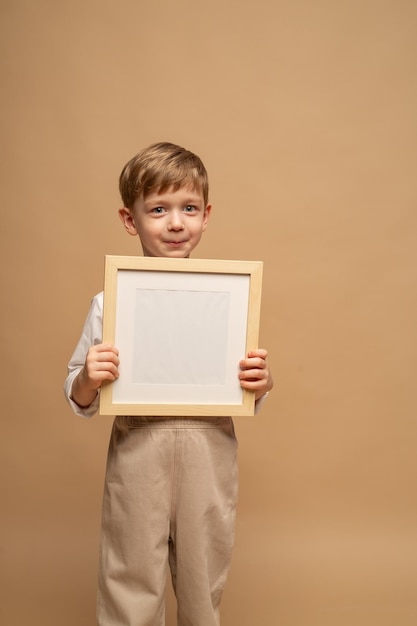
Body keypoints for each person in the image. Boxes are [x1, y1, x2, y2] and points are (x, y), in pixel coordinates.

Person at [64, 142, 273, 626]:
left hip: (210, 450)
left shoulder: (230, 297)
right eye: (158, 209)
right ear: (129, 220)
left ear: (206, 215)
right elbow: (78, 393)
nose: (176, 223)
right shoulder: (108, 301)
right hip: (139, 448)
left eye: (189, 209)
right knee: (129, 573)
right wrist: (88, 379)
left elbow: (245, 382)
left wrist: (260, 382)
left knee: (203, 579)